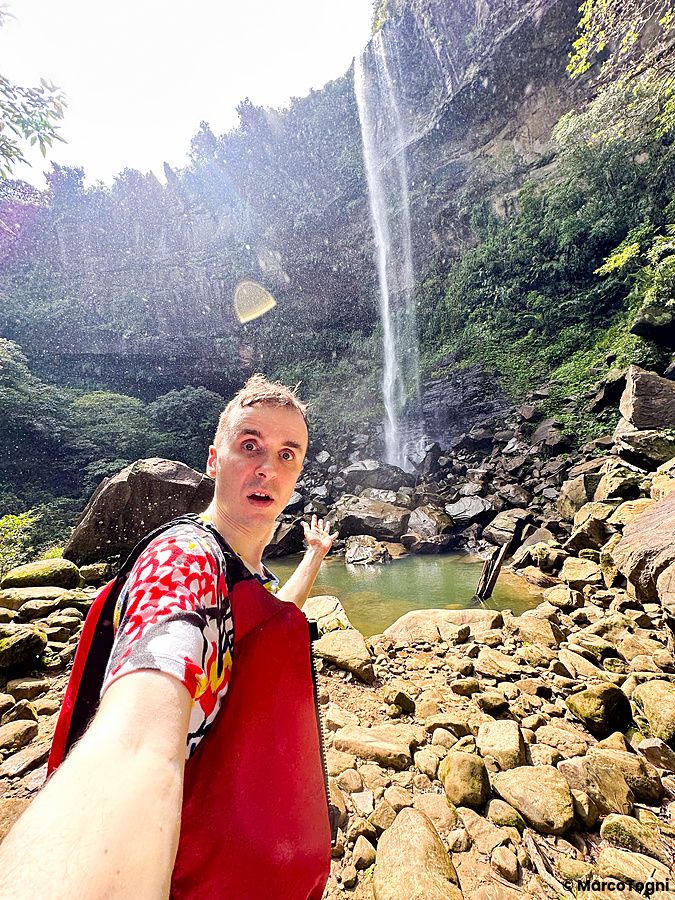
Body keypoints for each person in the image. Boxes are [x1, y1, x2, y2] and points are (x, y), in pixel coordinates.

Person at [0, 375, 338, 900]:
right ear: (213, 460)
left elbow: (272, 616)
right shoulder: (183, 561)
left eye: (287, 454)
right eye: (249, 445)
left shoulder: (248, 573)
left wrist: (314, 555)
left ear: (296, 475)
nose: (268, 466)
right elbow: (135, 747)